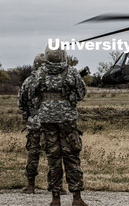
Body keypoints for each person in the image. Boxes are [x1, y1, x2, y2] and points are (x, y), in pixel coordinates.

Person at [29, 47, 88, 206]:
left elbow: (32, 95)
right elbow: (82, 93)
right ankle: (76, 197)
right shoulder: (71, 72)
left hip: (47, 121)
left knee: (53, 158)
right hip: (67, 120)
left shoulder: (39, 73)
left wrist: (44, 105)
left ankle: (55, 198)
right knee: (71, 157)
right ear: (63, 55)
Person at [18, 53, 46, 194]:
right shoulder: (52, 81)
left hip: (34, 123)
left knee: (33, 153)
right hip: (51, 122)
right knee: (54, 154)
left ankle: (31, 185)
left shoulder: (27, 82)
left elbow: (21, 103)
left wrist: (27, 118)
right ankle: (57, 186)